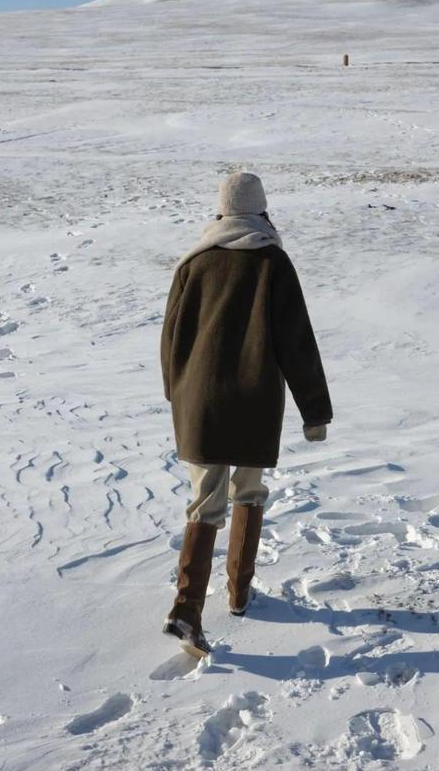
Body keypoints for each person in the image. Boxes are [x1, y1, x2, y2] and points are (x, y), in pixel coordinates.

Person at [160, 172, 332, 657]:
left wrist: (177, 393)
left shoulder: (193, 263)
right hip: (253, 402)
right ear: (261, 211)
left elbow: (170, 337)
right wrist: (315, 411)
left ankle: (187, 608)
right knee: (249, 492)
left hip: (199, 404)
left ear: (220, 210)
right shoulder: (271, 262)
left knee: (204, 502)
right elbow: (296, 342)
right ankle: (238, 593)